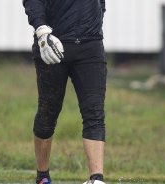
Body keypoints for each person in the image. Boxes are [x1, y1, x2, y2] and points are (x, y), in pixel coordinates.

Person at [23, 0, 107, 183]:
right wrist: (41, 31)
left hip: (90, 47)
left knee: (95, 113)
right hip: (52, 43)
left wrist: (94, 23)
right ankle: (42, 177)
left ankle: (97, 178)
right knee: (48, 114)